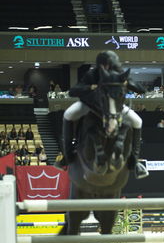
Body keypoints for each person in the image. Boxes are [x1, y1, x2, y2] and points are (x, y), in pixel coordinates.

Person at [54, 50, 149, 179]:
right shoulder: (92, 74)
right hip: (90, 106)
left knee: (138, 121)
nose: (107, 68)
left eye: (110, 65)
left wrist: (128, 83)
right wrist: (91, 87)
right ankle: (67, 155)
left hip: (115, 109)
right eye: (105, 65)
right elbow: (73, 91)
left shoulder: (120, 75)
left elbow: (142, 90)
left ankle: (135, 162)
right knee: (68, 114)